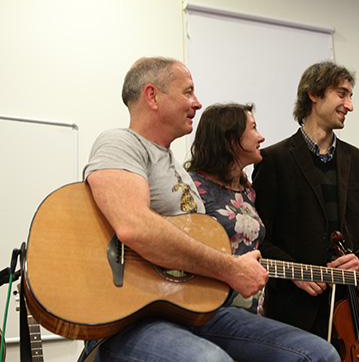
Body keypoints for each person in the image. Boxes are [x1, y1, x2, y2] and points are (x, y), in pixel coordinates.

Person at [83, 56, 340, 362]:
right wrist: (231, 268)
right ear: (152, 96)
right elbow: (133, 226)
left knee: (317, 353)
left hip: (194, 311)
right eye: (187, 92)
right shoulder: (120, 143)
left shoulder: (176, 169)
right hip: (131, 318)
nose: (197, 103)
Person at [252, 61, 359, 339]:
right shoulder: (272, 160)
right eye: (342, 94)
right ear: (314, 94)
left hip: (352, 309)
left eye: (350, 96)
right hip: (293, 310)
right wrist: (294, 272)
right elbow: (259, 235)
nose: (349, 105)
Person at [185, 102, 266, 314]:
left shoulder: (248, 191)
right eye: (254, 128)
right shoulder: (191, 187)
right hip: (208, 311)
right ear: (232, 140)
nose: (261, 137)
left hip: (251, 312)